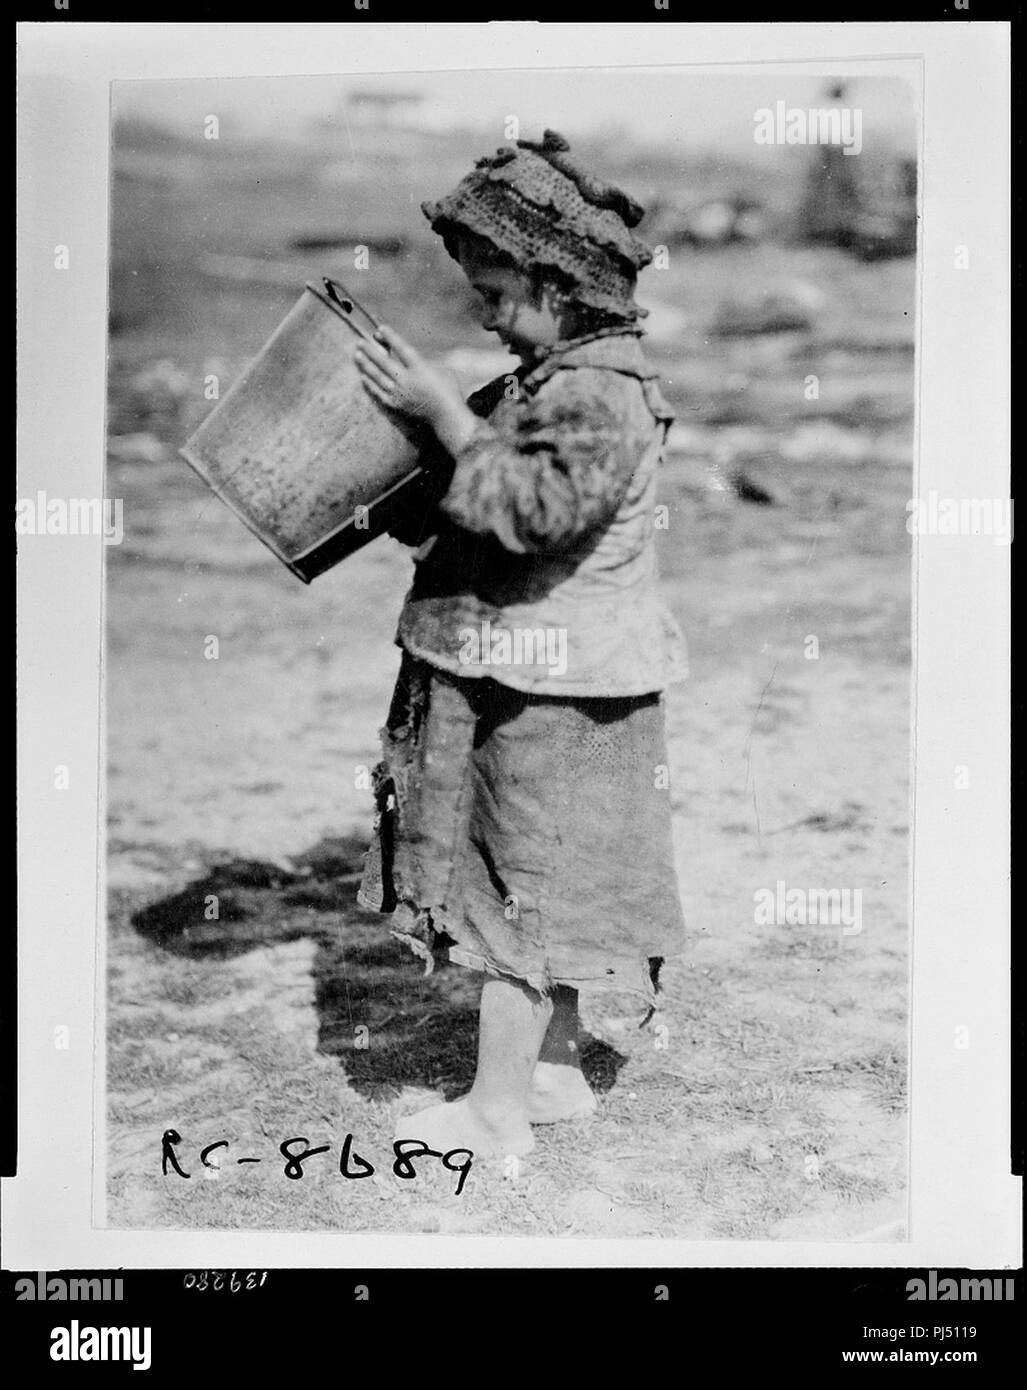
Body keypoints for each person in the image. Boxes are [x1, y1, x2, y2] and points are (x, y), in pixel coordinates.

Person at [353, 129, 688, 1159]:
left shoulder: (598, 393)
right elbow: (460, 497)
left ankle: (496, 1112)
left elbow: (531, 509)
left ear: (557, 285)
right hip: (559, 677)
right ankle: (547, 1073)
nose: (487, 316)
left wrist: (449, 419)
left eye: (498, 294)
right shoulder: (554, 377)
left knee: (515, 886)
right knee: (549, 879)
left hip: (554, 688)